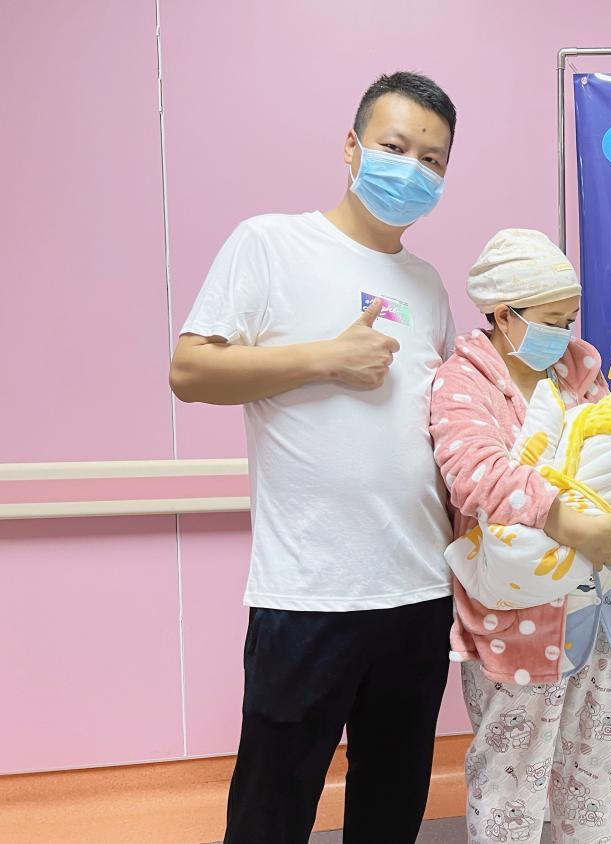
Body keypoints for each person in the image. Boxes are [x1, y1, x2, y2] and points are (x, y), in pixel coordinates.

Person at [169, 72, 459, 844]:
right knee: (271, 812)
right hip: (309, 593)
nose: (412, 168)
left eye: (432, 159)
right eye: (395, 146)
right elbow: (189, 371)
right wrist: (324, 358)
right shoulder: (271, 244)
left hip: (418, 592)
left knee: (391, 811)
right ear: (352, 147)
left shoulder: (427, 285)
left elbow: (444, 427)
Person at [429, 229, 611, 843]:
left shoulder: (579, 377)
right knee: (511, 775)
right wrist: (566, 521)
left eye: (569, 319)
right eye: (549, 321)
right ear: (502, 315)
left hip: (598, 605)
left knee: (591, 769)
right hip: (518, 619)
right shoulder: (464, 384)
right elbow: (474, 476)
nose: (564, 334)